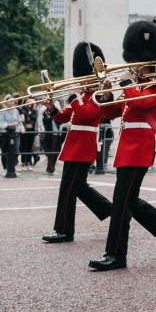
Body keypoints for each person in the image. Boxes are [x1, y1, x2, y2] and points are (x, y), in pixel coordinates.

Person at [88, 20, 156, 271]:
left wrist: (126, 84)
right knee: (127, 200)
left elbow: (141, 105)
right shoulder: (136, 86)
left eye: (136, 61)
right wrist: (107, 95)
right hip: (127, 148)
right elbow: (113, 113)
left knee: (122, 203)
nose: (132, 65)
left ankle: (116, 255)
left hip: (140, 148)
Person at [42, 42, 113, 243]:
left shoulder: (99, 97)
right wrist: (52, 108)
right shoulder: (84, 96)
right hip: (74, 146)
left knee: (68, 189)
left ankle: (64, 230)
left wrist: (74, 96)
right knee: (78, 187)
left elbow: (83, 115)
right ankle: (112, 210)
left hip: (83, 147)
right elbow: (65, 117)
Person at [0, 95, 21, 178]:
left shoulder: (16, 111)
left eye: (13, 101)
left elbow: (19, 122)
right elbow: (1, 124)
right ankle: (5, 169)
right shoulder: (1, 111)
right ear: (6, 102)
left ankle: (12, 167)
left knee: (16, 151)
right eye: (10, 101)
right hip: (4, 134)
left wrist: (21, 128)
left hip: (15, 133)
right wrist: (10, 124)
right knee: (5, 152)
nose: (12, 103)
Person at [40, 103, 61, 174]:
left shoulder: (56, 117)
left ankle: (51, 168)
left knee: (57, 152)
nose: (49, 111)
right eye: (48, 110)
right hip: (49, 136)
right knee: (51, 153)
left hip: (57, 135)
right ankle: (51, 169)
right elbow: (47, 121)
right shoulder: (45, 118)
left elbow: (60, 121)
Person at [18, 101, 38, 170]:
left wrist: (30, 114)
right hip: (24, 131)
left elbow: (34, 118)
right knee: (24, 147)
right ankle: (23, 162)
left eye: (31, 102)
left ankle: (29, 162)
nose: (30, 103)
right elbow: (22, 119)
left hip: (31, 131)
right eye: (28, 102)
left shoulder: (34, 110)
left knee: (30, 147)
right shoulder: (22, 109)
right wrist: (27, 114)